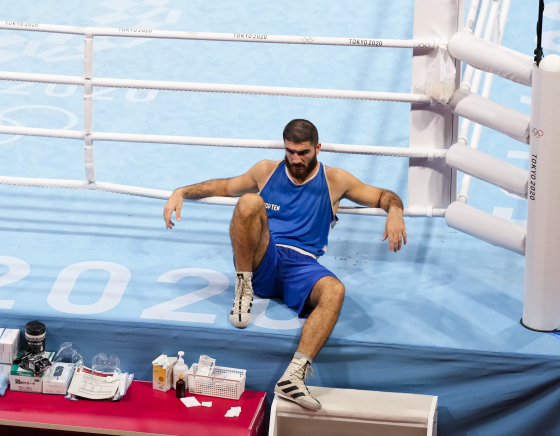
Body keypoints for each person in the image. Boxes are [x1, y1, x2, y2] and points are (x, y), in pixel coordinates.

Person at [162, 119, 407, 410]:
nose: (295, 159)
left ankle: (293, 377)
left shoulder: (335, 180)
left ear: (317, 148)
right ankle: (244, 288)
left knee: (335, 290)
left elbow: (382, 196)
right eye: (290, 151)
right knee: (250, 202)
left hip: (302, 266)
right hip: (264, 256)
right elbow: (226, 186)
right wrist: (181, 191)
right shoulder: (267, 170)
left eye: (302, 152)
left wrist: (395, 211)